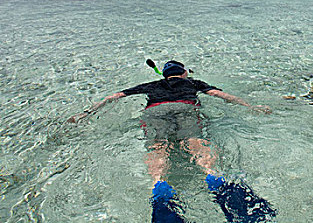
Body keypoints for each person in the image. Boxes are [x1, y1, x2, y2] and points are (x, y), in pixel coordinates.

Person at [67, 60, 276, 222]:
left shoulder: (152, 84)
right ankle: (213, 176)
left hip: (154, 111)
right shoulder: (192, 82)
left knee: (158, 147)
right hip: (185, 107)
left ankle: (159, 186)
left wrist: (84, 114)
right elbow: (222, 95)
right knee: (194, 141)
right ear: (183, 72)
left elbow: (114, 96)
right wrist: (252, 107)